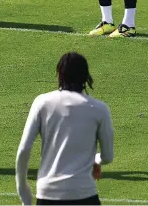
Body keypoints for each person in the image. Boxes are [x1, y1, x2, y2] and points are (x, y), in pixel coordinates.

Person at [15, 52, 114, 205]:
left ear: (59, 75)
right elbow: (107, 156)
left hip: (48, 194)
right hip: (85, 194)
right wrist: (95, 160)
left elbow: (24, 149)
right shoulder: (99, 109)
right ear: (85, 77)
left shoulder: (42, 103)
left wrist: (23, 191)